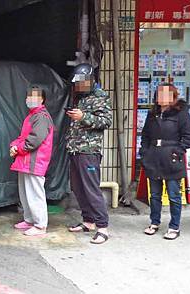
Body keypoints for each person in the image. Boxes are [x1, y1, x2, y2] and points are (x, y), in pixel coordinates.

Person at [66, 63, 113, 245]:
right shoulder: (80, 97)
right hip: (75, 148)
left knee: (92, 190)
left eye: (80, 83)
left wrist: (83, 117)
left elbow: (106, 121)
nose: (77, 86)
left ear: (90, 80)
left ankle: (103, 228)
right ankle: (88, 221)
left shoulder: (100, 97)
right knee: (78, 188)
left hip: (89, 150)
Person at [140, 83, 190, 240]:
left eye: (165, 94)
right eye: (159, 94)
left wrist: (177, 152)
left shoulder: (181, 114)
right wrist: (144, 153)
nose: (161, 97)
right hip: (153, 157)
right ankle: (154, 222)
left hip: (172, 159)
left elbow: (188, 138)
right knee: (155, 195)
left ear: (173, 97)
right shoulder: (152, 114)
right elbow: (145, 136)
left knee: (173, 195)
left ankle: (174, 226)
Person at [9, 86, 55, 236]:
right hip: (25, 160)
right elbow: (24, 138)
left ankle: (40, 225)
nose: (30, 99)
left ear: (42, 99)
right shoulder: (31, 116)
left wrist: (18, 148)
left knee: (35, 193)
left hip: (35, 161)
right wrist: (14, 146)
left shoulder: (41, 116)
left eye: (34, 96)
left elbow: (35, 140)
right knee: (25, 192)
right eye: (29, 96)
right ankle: (29, 220)